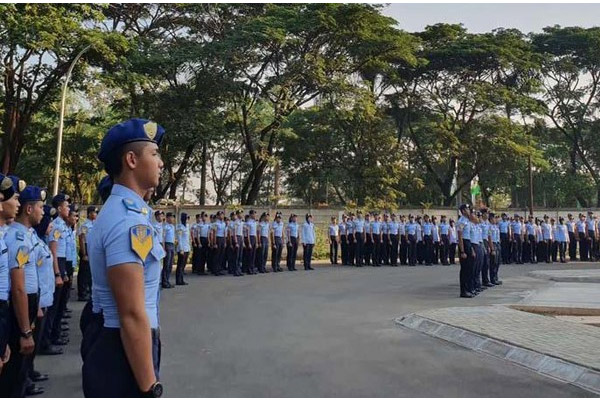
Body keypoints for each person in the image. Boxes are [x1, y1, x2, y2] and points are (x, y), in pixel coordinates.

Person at [83, 118, 165, 397]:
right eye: (154, 154)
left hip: (117, 341)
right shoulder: (128, 222)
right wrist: (148, 387)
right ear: (131, 159)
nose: (160, 162)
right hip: (121, 348)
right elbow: (130, 313)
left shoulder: (123, 211)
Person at [0, 184, 44, 397]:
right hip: (17, 304)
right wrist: (26, 331)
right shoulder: (17, 239)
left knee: (17, 368)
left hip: (25, 302)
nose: (16, 203)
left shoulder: (23, 236)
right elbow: (18, 287)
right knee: (13, 374)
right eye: (40, 208)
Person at [78, 206, 97, 302]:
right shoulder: (85, 225)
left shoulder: (95, 224)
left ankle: (89, 291)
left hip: (92, 249)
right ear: (89, 214)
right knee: (84, 273)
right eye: (94, 213)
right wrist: (84, 253)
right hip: (86, 249)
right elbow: (82, 239)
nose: (96, 215)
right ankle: (82, 293)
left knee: (90, 273)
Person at [457, 205, 474, 298]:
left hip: (468, 243)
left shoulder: (467, 221)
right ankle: (463, 291)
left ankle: (468, 289)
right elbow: (460, 236)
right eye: (467, 209)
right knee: (464, 269)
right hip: (464, 244)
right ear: (463, 211)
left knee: (469, 269)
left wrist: (471, 249)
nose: (469, 210)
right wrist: (462, 251)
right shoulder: (461, 221)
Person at [175, 213, 190, 286]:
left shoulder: (187, 226)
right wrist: (181, 249)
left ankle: (182, 279)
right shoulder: (180, 227)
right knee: (180, 265)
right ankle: (178, 280)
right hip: (182, 249)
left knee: (183, 265)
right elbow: (179, 239)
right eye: (187, 218)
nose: (188, 220)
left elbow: (187, 239)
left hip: (186, 248)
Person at [162, 212, 175, 288]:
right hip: (167, 245)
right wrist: (163, 248)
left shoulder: (172, 226)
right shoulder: (165, 227)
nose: (172, 218)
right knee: (166, 265)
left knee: (170, 265)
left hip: (172, 245)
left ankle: (167, 280)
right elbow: (163, 237)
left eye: (173, 217)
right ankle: (164, 281)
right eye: (170, 217)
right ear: (167, 218)